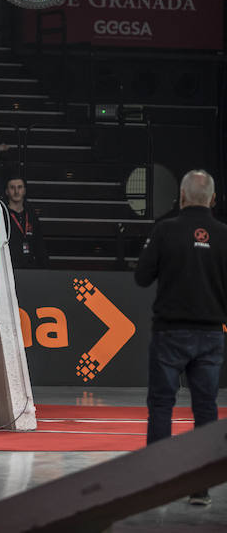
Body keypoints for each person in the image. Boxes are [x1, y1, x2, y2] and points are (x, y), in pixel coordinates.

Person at [135, 169, 227, 508]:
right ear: (213, 199)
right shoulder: (224, 235)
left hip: (170, 332)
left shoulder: (165, 231)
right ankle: (200, 487)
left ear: (183, 197)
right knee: (205, 408)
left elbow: (142, 277)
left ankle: (156, 484)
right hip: (210, 334)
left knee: (162, 405)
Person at [4, 176, 48, 268]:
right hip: (8, 268)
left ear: (24, 190)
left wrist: (45, 269)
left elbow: (39, 245)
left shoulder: (31, 215)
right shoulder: (2, 215)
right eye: (12, 187)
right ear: (7, 191)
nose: (16, 191)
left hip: (30, 269)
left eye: (19, 187)